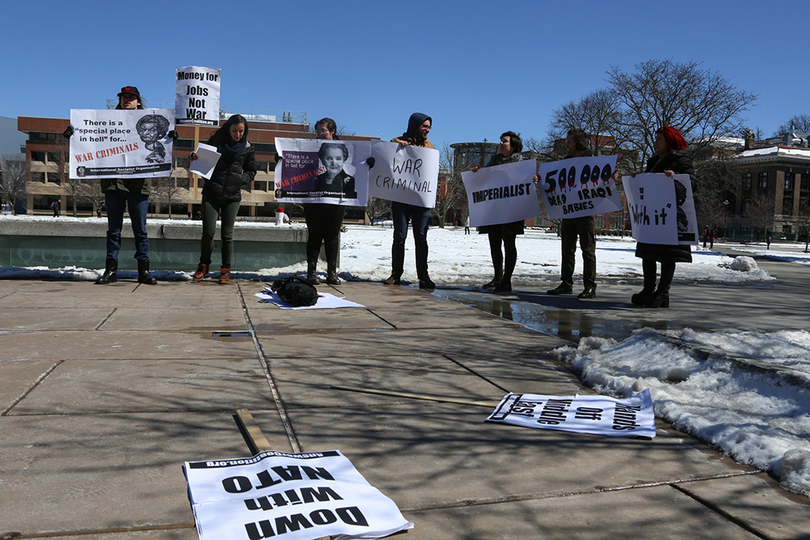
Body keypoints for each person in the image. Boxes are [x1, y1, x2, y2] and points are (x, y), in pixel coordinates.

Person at [86, 86, 156, 285]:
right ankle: (111, 270)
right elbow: (90, 139)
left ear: (138, 101)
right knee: (113, 229)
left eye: (131, 97)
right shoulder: (107, 121)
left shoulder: (150, 122)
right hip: (113, 183)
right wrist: (74, 134)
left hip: (138, 184)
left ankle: (143, 271)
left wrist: (170, 137)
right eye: (124, 97)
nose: (127, 100)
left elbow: (159, 145)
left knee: (140, 230)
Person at [631, 125, 697, 308]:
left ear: (669, 141)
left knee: (668, 255)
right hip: (652, 216)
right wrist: (638, 180)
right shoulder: (653, 162)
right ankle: (648, 289)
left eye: (659, 139)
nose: (656, 142)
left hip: (670, 217)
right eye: (656, 139)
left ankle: (662, 292)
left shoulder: (680, 159)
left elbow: (692, 182)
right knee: (648, 253)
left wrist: (676, 177)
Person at [191, 114, 256, 285]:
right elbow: (201, 162)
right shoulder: (214, 144)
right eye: (234, 130)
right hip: (211, 194)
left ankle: (225, 270)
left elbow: (251, 171)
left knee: (227, 235)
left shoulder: (247, 149)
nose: (238, 134)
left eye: (241, 131)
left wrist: (239, 181)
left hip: (232, 196)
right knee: (208, 232)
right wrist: (194, 158)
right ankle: (203, 265)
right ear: (228, 129)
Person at [384, 112, 435, 290]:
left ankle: (424, 276)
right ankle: (395, 274)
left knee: (421, 237)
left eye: (429, 126)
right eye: (424, 126)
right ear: (415, 126)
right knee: (400, 236)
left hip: (421, 200)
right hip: (401, 199)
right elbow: (386, 158)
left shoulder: (429, 146)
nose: (427, 130)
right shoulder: (396, 141)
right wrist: (399, 147)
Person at [471, 131, 524, 292]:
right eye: (501, 141)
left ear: (513, 146)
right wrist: (478, 173)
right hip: (493, 211)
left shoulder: (521, 165)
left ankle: (506, 280)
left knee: (509, 243)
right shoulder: (493, 163)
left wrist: (533, 179)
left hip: (511, 211)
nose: (500, 143)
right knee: (494, 244)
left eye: (505, 142)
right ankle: (497, 277)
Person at [547, 129, 597, 299]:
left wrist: (612, 176)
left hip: (586, 212)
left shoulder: (593, 162)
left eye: (569, 142)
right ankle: (566, 284)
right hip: (568, 211)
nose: (566, 145)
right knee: (567, 250)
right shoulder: (565, 162)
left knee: (587, 250)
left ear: (579, 144)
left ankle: (590, 286)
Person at [301, 118, 349, 285]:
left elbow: (360, 166)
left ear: (332, 131)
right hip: (314, 199)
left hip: (337, 200)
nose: (320, 133)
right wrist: (280, 157)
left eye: (323, 130)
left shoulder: (345, 148)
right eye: (318, 130)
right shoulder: (310, 148)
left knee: (332, 236)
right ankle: (311, 271)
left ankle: (332, 272)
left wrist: (368, 164)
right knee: (314, 235)